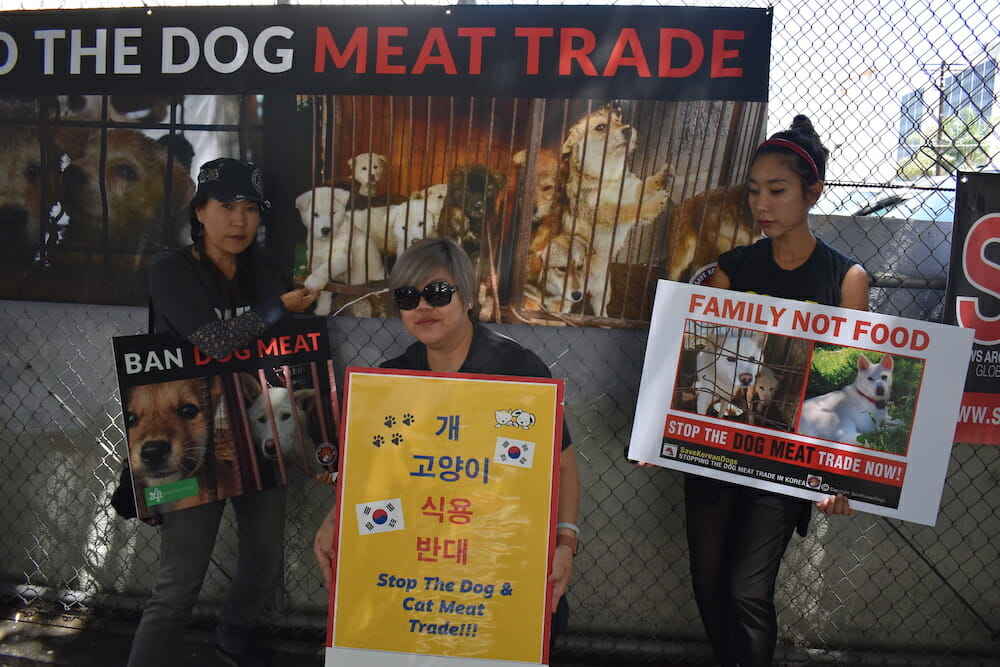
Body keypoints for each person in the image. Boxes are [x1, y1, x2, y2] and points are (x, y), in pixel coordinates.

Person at [313, 237, 581, 643]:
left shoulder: (518, 372)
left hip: (498, 571)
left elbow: (561, 466)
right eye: (408, 296)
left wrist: (564, 543)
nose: (423, 306)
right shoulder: (388, 382)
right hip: (415, 573)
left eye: (437, 293)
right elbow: (373, 479)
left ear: (468, 297)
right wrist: (338, 519)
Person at [685, 115, 869, 667]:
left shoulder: (844, 278)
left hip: (788, 459)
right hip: (717, 449)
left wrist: (836, 474)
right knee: (709, 582)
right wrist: (661, 429)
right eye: (753, 191)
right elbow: (694, 357)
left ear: (813, 193)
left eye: (777, 190)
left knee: (745, 588)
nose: (762, 204)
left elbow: (851, 382)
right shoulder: (732, 269)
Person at [127, 157, 319, 667]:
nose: (239, 221)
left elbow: (289, 350)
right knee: (177, 586)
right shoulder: (172, 268)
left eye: (251, 209)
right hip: (188, 442)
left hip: (259, 434)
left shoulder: (266, 272)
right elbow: (213, 342)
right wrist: (281, 306)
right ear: (200, 211)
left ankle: (230, 642)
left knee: (263, 560)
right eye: (226, 207)